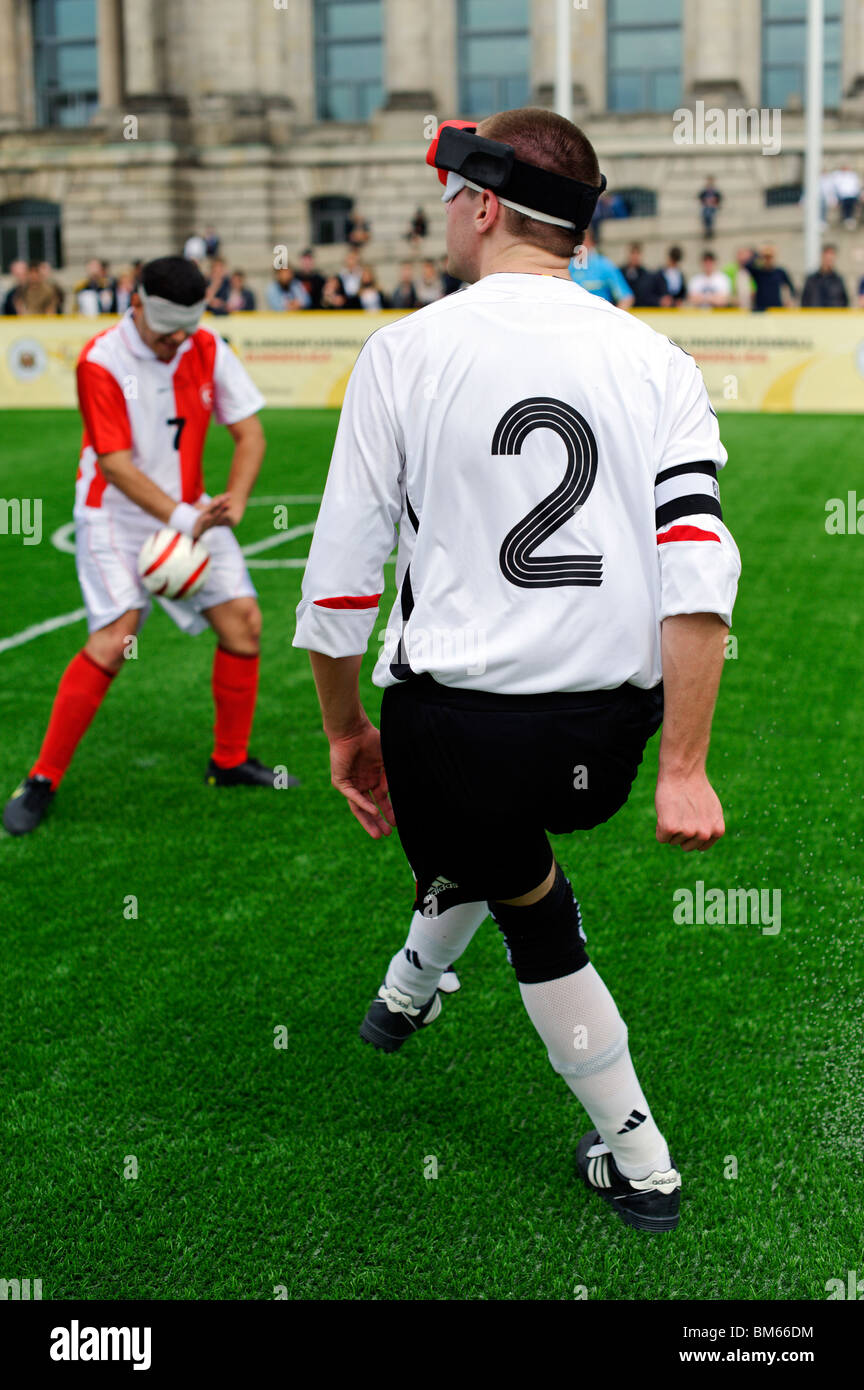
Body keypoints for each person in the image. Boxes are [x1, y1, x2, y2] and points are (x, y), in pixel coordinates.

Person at [293, 108, 741, 1235]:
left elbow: (343, 585)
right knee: (483, 843)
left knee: (523, 893)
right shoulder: (657, 358)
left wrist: (346, 732)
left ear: (486, 204)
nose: (446, 213)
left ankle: (643, 1164)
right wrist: (683, 763)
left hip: (453, 726)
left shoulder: (404, 350)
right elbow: (699, 568)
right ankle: (404, 993)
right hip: (609, 733)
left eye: (451, 194)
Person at [3, 256, 297, 837]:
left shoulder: (207, 346)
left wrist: (234, 501)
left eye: (187, 331)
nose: (177, 345)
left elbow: (250, 433)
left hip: (188, 512)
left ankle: (229, 761)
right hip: (115, 517)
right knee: (116, 642)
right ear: (135, 305)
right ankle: (41, 778)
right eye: (168, 334)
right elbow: (113, 466)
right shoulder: (101, 360)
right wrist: (185, 519)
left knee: (244, 624)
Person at [567, 225, 634, 307]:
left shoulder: (604, 265)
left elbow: (626, 298)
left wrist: (612, 318)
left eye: (582, 241)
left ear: (591, 242)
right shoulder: (566, 266)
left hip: (599, 317)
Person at [744, 245, 795, 310]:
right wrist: (758, 255)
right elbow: (746, 266)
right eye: (766, 257)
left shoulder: (780, 272)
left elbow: (790, 287)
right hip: (760, 308)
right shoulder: (758, 272)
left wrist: (789, 300)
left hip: (776, 308)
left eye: (770, 257)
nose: (768, 259)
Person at [619, 243, 663, 307]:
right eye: (633, 253)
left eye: (637, 253)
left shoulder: (648, 276)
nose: (635, 256)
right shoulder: (619, 274)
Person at [832, 164, 861, 228]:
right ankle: (846, 218)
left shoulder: (852, 175)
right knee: (845, 206)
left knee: (851, 206)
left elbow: (855, 185)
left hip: (851, 195)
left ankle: (850, 218)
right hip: (843, 195)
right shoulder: (838, 175)